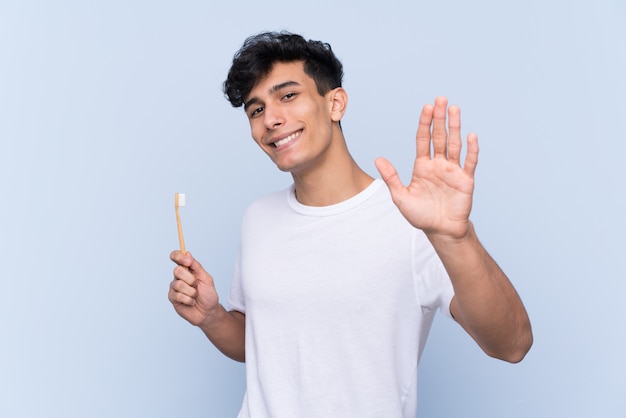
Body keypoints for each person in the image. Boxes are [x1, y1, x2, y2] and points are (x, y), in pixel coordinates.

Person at [168, 31, 532, 417]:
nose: (271, 119)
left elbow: (512, 344)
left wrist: (456, 239)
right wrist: (212, 318)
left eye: (288, 96)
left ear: (335, 103)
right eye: (256, 110)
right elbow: (262, 347)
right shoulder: (257, 218)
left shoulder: (414, 221)